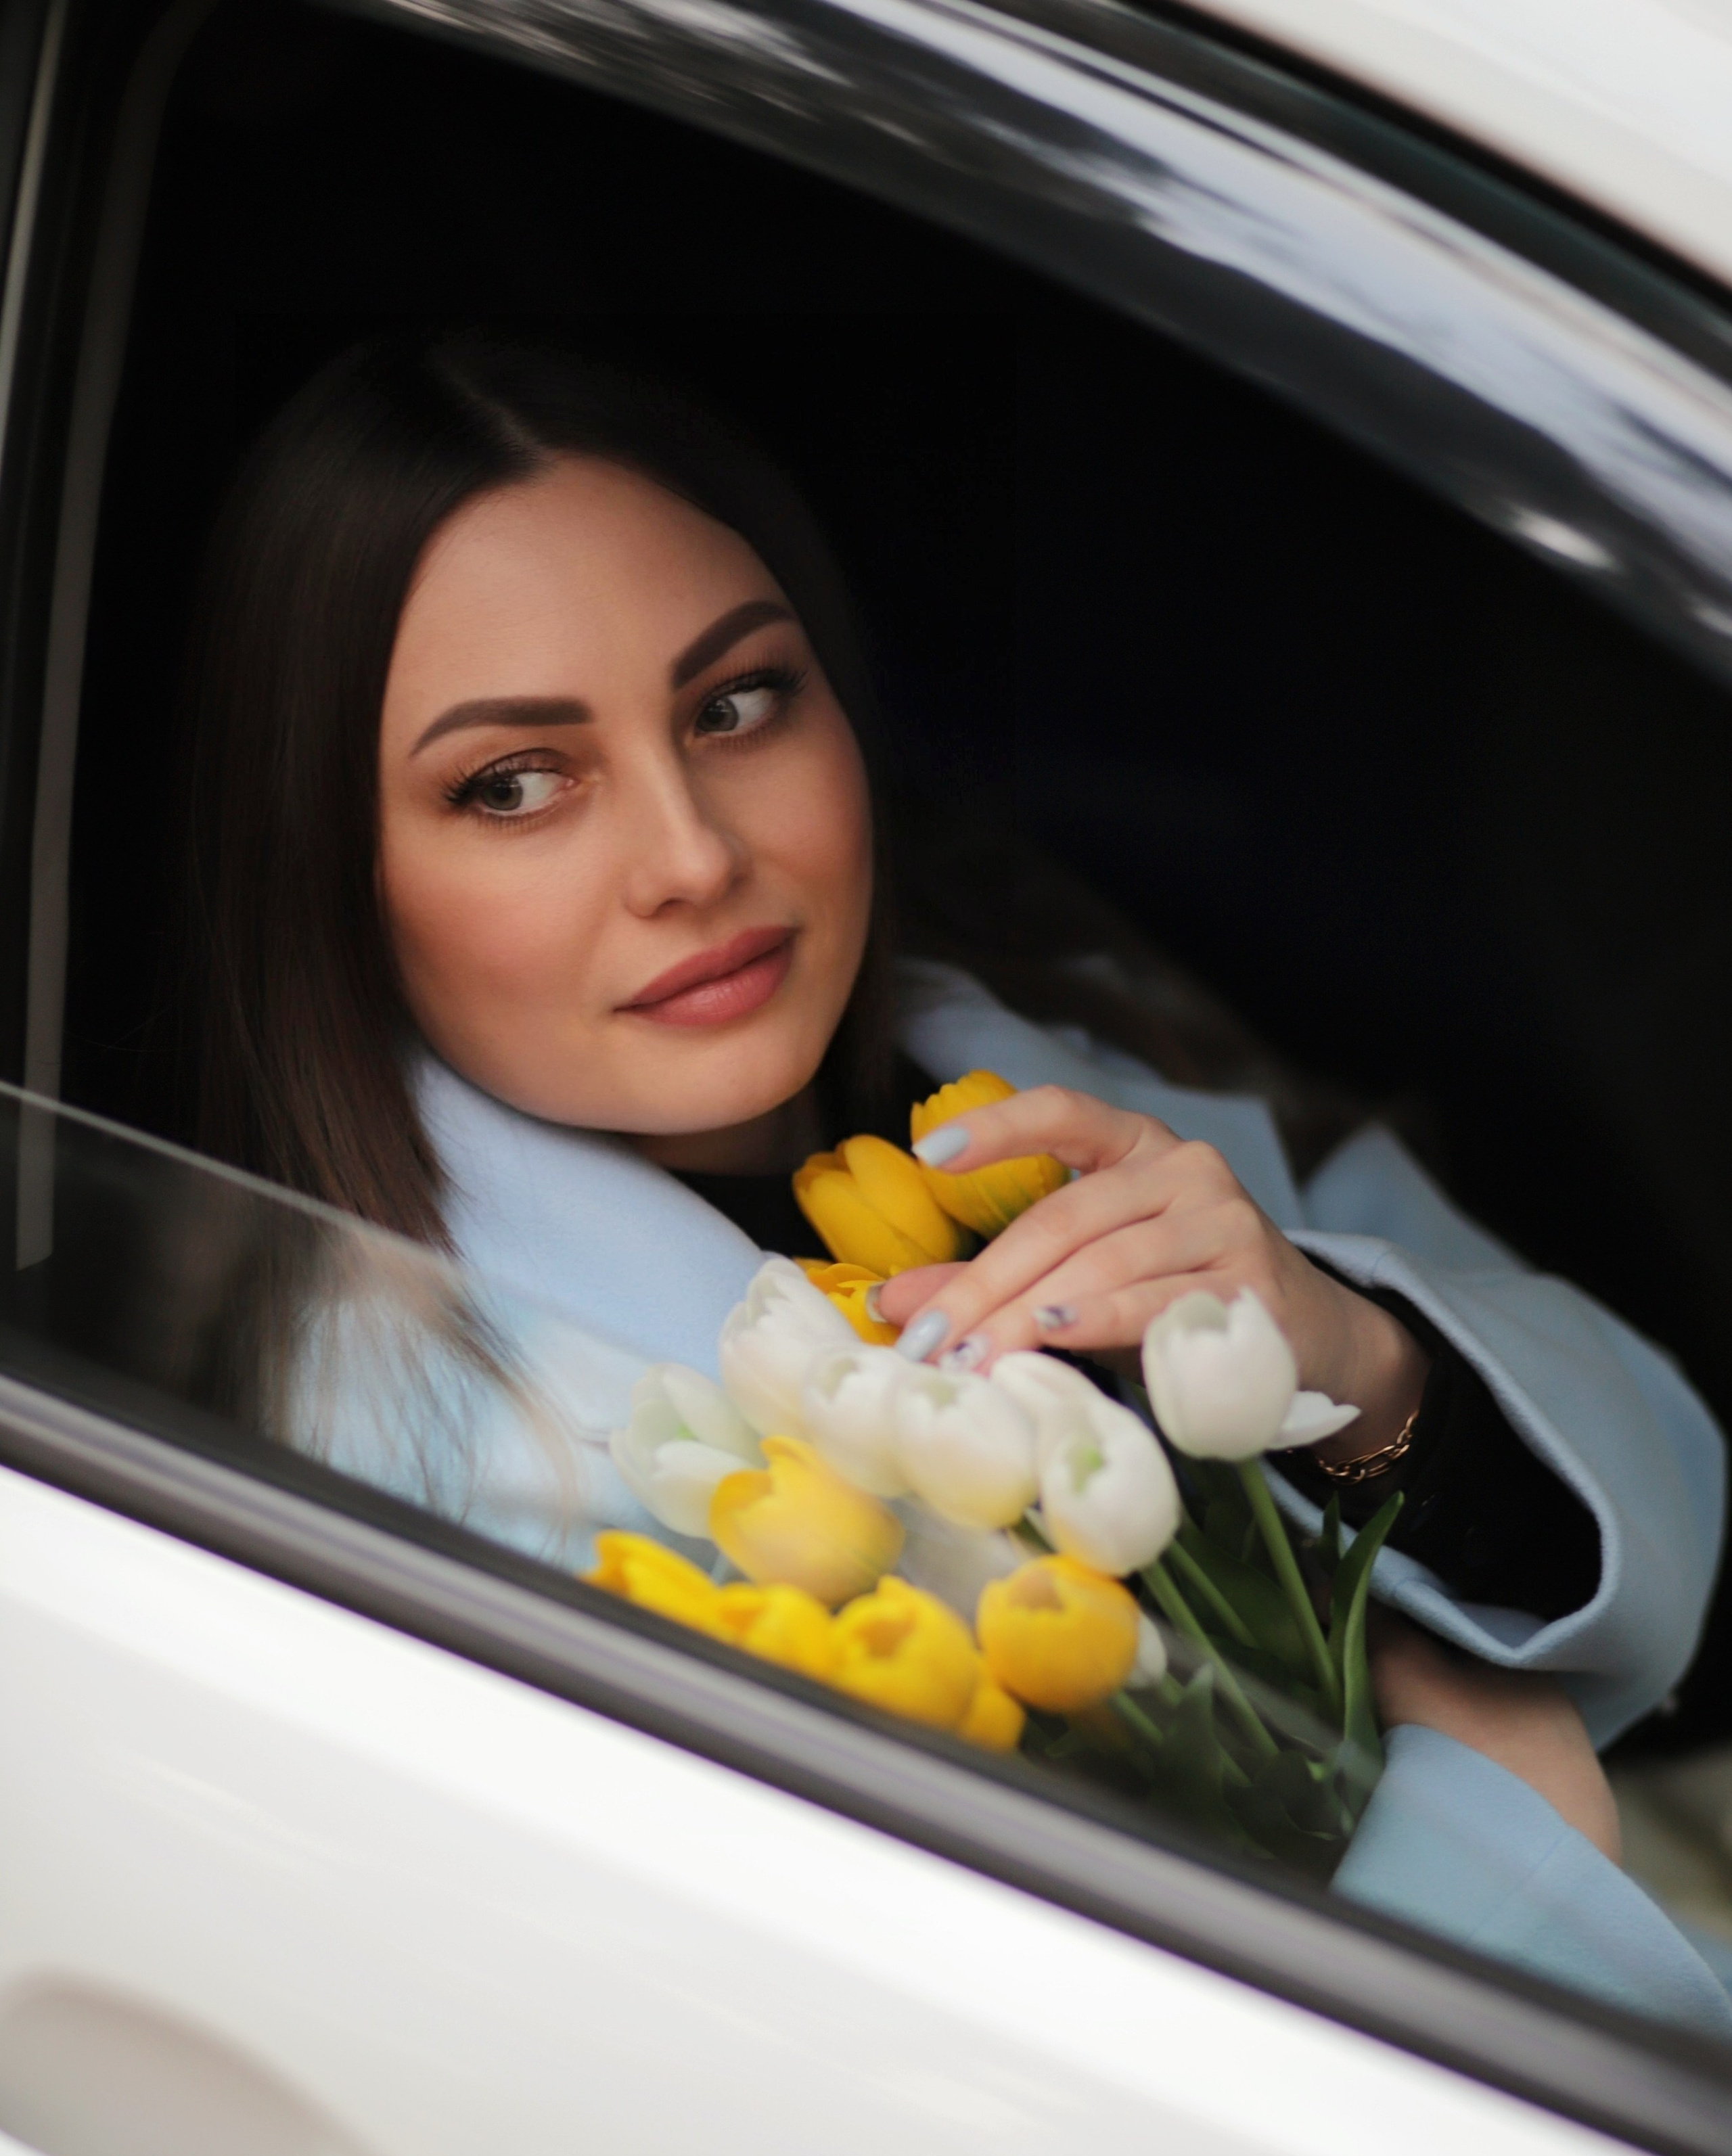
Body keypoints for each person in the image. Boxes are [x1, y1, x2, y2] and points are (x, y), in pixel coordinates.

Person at [175, 334, 1728, 2032]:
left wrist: (1356, 1370)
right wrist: (1496, 1831)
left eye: (735, 702)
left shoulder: (999, 1037)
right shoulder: (431, 1491)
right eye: (514, 785)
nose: (694, 857)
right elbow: (938, 2103)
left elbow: (1650, 1474)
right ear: (330, 868)